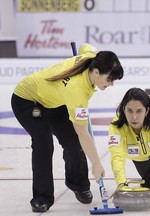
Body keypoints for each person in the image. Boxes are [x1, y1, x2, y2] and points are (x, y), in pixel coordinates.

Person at [10, 43, 124, 213]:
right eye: (109, 79)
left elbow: (85, 46)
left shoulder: (92, 57)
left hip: (54, 101)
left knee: (72, 142)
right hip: (26, 100)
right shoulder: (77, 91)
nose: (112, 84)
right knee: (44, 142)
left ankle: (78, 184)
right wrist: (96, 164)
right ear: (96, 72)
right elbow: (83, 133)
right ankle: (42, 197)